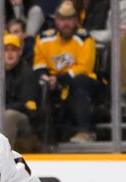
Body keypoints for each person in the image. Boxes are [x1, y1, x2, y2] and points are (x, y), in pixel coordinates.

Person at [33, 1, 100, 143]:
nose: (66, 24)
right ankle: (39, 136)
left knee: (78, 82)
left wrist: (59, 79)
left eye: (70, 19)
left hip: (85, 82)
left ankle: (85, 131)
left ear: (76, 20)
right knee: (36, 83)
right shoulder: (44, 38)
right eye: (62, 20)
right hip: (54, 81)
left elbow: (85, 67)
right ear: (56, 20)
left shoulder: (85, 38)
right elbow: (39, 64)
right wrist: (45, 77)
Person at [0, 33, 40, 151]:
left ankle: (5, 157)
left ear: (20, 52)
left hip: (23, 118)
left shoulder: (28, 74)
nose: (9, 54)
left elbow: (25, 104)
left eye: (13, 50)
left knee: (9, 116)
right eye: (6, 50)